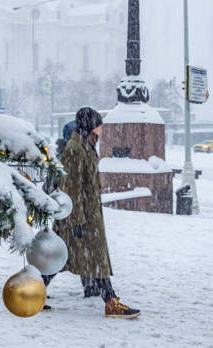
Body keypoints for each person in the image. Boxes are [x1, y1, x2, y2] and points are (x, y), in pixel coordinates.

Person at [42, 107, 140, 319]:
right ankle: (111, 303)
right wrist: (76, 221)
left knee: (61, 259)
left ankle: (33, 293)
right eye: (98, 125)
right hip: (80, 220)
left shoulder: (86, 146)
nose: (101, 130)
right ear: (89, 127)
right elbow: (72, 188)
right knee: (93, 260)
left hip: (85, 217)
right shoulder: (75, 149)